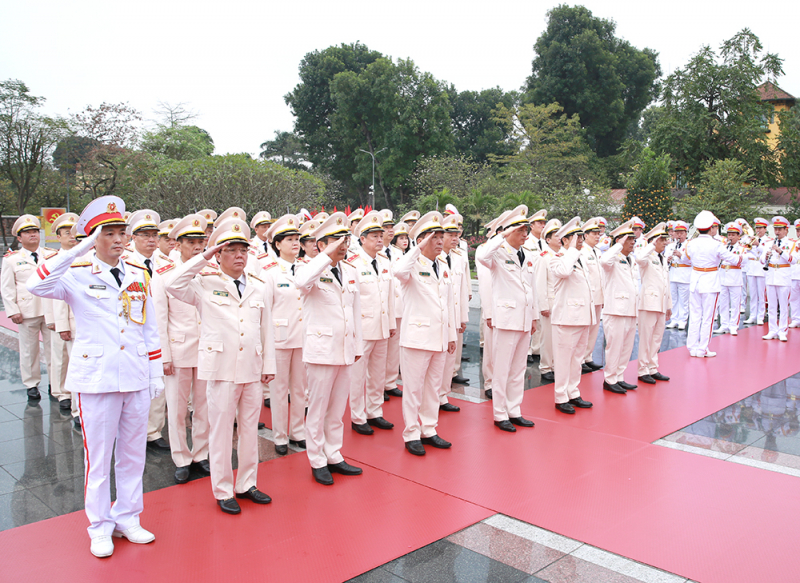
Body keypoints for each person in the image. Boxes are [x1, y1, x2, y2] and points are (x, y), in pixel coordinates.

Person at [26, 195, 164, 558]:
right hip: (97, 378)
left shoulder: (139, 273)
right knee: (99, 459)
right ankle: (99, 525)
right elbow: (36, 285)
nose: (119, 239)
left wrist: (154, 372)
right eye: (110, 233)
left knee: (133, 455)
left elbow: (148, 328)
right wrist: (76, 249)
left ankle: (128, 517)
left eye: (123, 232)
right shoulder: (75, 273)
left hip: (134, 374)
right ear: (93, 237)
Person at [166, 217, 276, 514]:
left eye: (244, 250)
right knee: (221, 431)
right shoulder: (204, 284)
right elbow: (172, 284)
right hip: (222, 369)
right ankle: (223, 488)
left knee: (249, 430)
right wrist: (204, 255)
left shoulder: (258, 285)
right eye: (231, 250)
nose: (239, 255)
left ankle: (247, 483)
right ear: (219, 253)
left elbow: (266, 329)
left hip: (251, 369)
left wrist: (269, 364)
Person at [294, 212, 365, 485]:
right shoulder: (309, 269)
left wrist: (357, 343)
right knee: (319, 407)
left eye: (344, 240)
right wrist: (325, 256)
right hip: (321, 350)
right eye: (336, 241)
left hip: (345, 348)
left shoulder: (350, 272)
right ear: (321, 245)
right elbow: (301, 283)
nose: (343, 246)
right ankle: (317, 459)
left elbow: (355, 311)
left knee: (337, 409)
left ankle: (334, 453)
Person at [150, 214, 211, 484]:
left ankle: (201, 453)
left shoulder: (210, 271)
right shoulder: (163, 274)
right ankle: (181, 457)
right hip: (178, 348)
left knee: (204, 405)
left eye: (201, 241)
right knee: (176, 409)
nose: (198, 246)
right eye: (192, 242)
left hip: (207, 349)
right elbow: (159, 319)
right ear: (178, 244)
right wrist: (164, 356)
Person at [394, 212, 457, 455]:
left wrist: (451, 335)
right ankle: (411, 433)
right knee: (413, 389)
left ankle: (429, 429)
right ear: (421, 240)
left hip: (439, 337)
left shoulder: (442, 265)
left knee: (433, 387)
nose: (441, 242)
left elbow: (447, 303)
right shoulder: (411, 264)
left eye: (442, 237)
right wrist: (416, 248)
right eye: (435, 237)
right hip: (417, 338)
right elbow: (398, 272)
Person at [476, 206, 539, 430]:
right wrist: (501, 234)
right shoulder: (497, 253)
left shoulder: (529, 255)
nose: (525, 234)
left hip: (523, 319)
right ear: (510, 230)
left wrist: (534, 317)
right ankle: (500, 414)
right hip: (506, 318)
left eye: (527, 230)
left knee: (518, 368)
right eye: (521, 230)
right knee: (502, 369)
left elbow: (532, 289)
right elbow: (482, 255)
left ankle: (514, 410)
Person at [263, 215, 309, 455]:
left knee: (299, 389)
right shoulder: (269, 272)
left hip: (302, 337)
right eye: (289, 239)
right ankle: (280, 435)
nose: (295, 243)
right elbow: (266, 308)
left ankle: (298, 431)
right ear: (277, 244)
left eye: (297, 239)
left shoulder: (305, 269)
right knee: (279, 390)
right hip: (279, 339)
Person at [347, 211, 396, 435]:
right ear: (362, 239)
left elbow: (390, 295)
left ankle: (375, 411)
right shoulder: (353, 264)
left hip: (382, 326)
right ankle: (357, 416)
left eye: (380, 234)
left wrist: (391, 323)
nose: (379, 239)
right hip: (363, 329)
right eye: (374, 235)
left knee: (378, 373)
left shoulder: (385, 262)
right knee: (358, 376)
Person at [2, 214, 56, 400]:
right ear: (19, 238)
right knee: (28, 350)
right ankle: (31, 384)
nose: (32, 235)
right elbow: (7, 288)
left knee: (54, 349)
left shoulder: (50, 255)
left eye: (35, 231)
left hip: (50, 311)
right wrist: (13, 310)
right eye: (27, 232)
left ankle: (54, 382)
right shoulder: (11, 260)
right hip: (26, 312)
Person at [549, 217, 595, 414]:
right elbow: (565, 271)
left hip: (583, 315)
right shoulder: (556, 258)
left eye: (581, 238)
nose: (580, 241)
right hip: (566, 318)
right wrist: (573, 250)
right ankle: (561, 396)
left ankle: (573, 392)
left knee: (577, 358)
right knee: (563, 359)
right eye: (576, 237)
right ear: (564, 240)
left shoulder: (580, 258)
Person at [681, 211, 742, 357]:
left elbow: (684, 259)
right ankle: (702, 348)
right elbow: (735, 260)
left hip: (695, 280)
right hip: (710, 282)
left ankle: (692, 347)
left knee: (695, 315)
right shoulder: (717, 244)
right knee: (707, 317)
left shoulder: (691, 243)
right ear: (711, 228)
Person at [599, 220, 638, 394]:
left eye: (633, 239)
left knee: (626, 346)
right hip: (615, 309)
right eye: (628, 239)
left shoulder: (630, 259)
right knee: (614, 346)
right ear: (620, 241)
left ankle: (619, 376)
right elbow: (605, 260)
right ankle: (610, 378)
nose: (632, 242)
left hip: (630, 308)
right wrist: (617, 245)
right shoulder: (612, 258)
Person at [46, 213, 80, 411]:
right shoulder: (56, 260)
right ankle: (64, 395)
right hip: (68, 320)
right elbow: (54, 297)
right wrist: (59, 323)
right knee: (62, 359)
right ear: (58, 237)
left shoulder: (84, 256)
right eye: (67, 233)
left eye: (74, 233)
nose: (72, 237)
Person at [633, 222, 672, 384]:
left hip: (661, 304)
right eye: (662, 240)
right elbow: (639, 258)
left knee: (657, 338)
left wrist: (669, 305)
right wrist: (651, 244)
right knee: (646, 338)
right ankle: (643, 370)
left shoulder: (661, 258)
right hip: (648, 303)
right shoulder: (647, 256)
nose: (665, 243)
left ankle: (653, 367)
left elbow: (665, 282)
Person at [439, 213, 470, 407]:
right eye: (450, 235)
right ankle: (433, 397)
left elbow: (462, 290)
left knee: (450, 358)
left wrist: (463, 318)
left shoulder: (459, 257)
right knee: (437, 361)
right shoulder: (434, 257)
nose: (455, 238)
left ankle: (443, 396)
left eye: (456, 234)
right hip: (439, 317)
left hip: (455, 315)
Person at [533, 218, 562, 384]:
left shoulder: (562, 255)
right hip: (550, 303)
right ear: (548, 239)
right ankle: (545, 367)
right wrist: (543, 305)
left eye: (560, 235)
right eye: (555, 235)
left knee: (559, 338)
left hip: (562, 304)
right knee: (548, 338)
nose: (559, 238)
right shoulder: (543, 257)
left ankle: (555, 365)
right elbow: (540, 284)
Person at [384, 221, 410, 400]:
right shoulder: (372, 254)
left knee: (393, 348)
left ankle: (390, 382)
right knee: (379, 351)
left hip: (399, 305)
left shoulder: (398, 253)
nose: (390, 231)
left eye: (391, 227)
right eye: (386, 228)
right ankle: (376, 386)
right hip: (382, 308)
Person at [761, 216, 795, 342]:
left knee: (784, 305)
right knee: (772, 306)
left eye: (780, 229)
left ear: (786, 230)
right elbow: (760, 259)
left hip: (783, 276)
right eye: (776, 229)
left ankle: (782, 331)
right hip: (771, 276)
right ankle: (772, 330)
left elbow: (794, 260)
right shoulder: (769, 243)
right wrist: (766, 256)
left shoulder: (792, 244)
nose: (777, 232)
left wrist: (781, 252)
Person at [579, 217, 604, 372]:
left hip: (598, 296)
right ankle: (580, 359)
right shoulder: (581, 251)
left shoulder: (597, 251)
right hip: (587, 297)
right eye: (594, 233)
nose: (597, 236)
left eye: (598, 233)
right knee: (584, 329)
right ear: (585, 235)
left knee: (594, 329)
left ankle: (588, 357)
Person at [715, 223, 746, 336]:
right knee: (723, 303)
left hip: (735, 278)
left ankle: (734, 325)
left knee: (735, 303)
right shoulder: (723, 247)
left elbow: (743, 261)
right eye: (729, 235)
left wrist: (729, 256)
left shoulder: (742, 248)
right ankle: (724, 324)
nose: (731, 237)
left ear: (738, 236)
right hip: (723, 277)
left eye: (733, 235)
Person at [743, 217, 771, 325]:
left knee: (761, 294)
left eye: (760, 228)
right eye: (757, 228)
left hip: (761, 268)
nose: (758, 230)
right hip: (751, 268)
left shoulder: (768, 240)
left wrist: (758, 245)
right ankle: (752, 315)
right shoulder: (750, 239)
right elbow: (744, 250)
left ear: (765, 229)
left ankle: (760, 316)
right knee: (753, 294)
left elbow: (766, 251)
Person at [665, 221, 690, 330]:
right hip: (673, 274)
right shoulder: (670, 246)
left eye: (681, 233)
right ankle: (674, 319)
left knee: (684, 300)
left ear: (685, 233)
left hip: (684, 274)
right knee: (673, 299)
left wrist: (681, 255)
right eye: (677, 233)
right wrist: (667, 260)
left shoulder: (689, 245)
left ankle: (682, 320)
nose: (679, 235)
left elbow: (692, 261)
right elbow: (665, 258)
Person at [791, 219, 800, 328]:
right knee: (794, 297)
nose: (799, 233)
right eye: (798, 231)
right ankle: (796, 318)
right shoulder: (793, 243)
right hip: (794, 273)